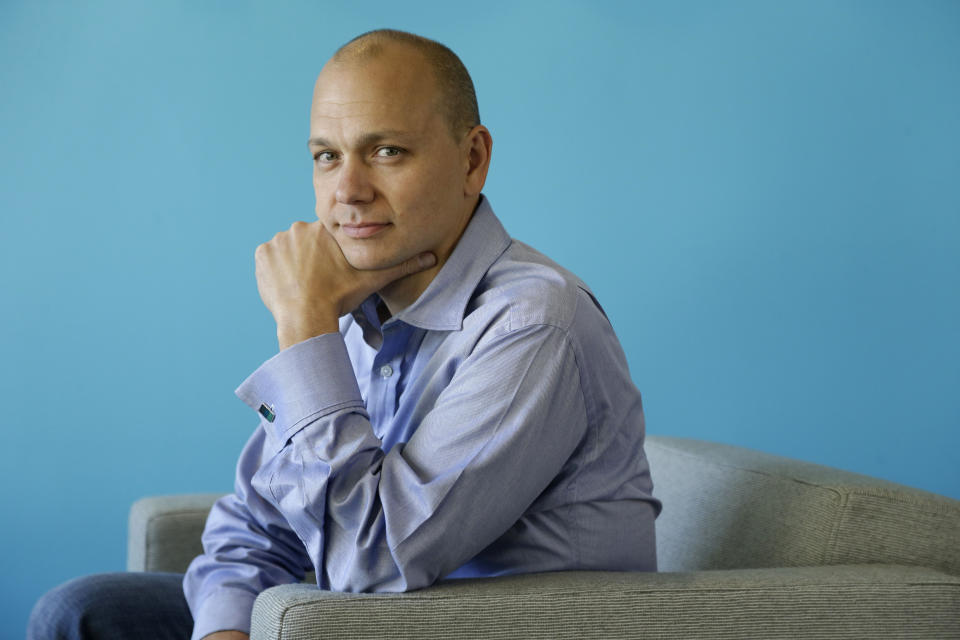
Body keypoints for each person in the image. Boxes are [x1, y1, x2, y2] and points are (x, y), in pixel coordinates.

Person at [28, 29, 660, 640]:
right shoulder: (360, 312)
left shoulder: (532, 324)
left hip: (458, 628)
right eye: (327, 156)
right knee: (84, 613)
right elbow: (255, 525)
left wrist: (303, 326)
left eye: (387, 151)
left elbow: (375, 563)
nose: (348, 192)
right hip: (343, 622)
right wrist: (225, 628)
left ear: (472, 160)